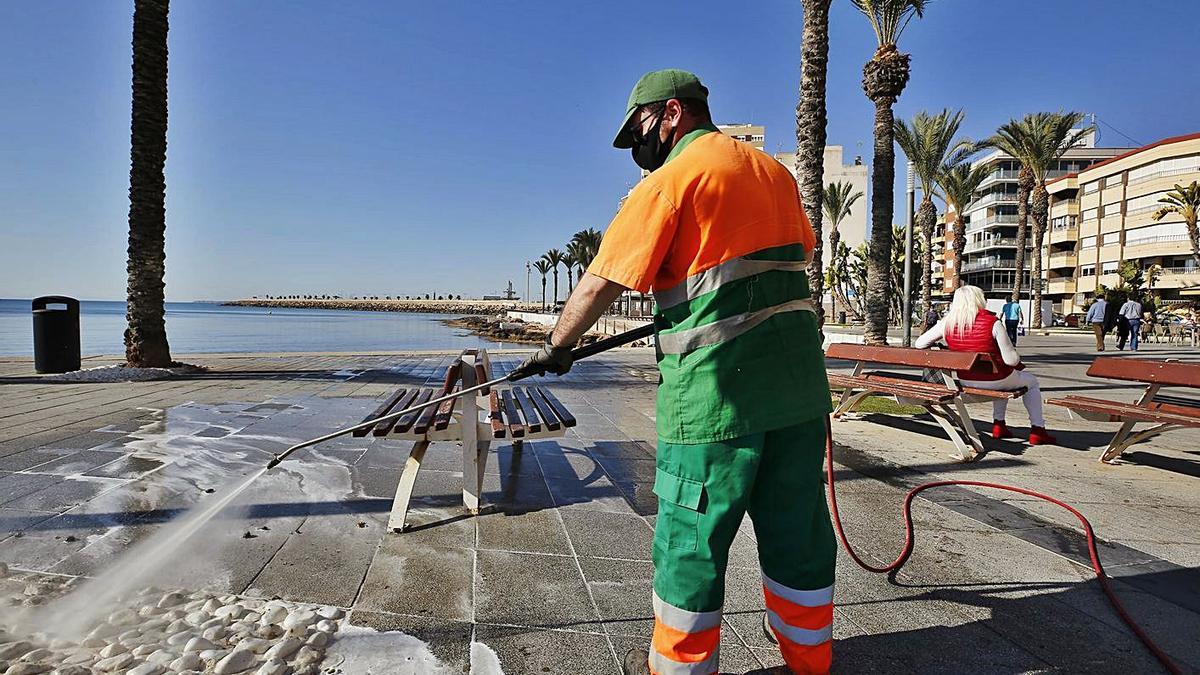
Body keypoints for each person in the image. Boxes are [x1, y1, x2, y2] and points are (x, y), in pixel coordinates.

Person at [516, 69, 835, 675]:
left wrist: (559, 344)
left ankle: (680, 670)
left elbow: (603, 278)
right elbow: (770, 271)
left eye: (639, 127)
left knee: (690, 543)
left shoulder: (672, 180)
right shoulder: (776, 175)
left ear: (668, 114)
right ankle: (810, 663)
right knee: (798, 534)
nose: (639, 145)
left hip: (716, 398)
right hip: (797, 397)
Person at [915, 285, 1057, 445]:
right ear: (979, 300)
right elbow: (1011, 361)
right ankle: (1037, 429)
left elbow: (919, 344)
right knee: (1031, 382)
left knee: (1004, 382)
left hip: (967, 380)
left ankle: (1000, 425)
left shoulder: (947, 323)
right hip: (997, 378)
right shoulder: (993, 322)